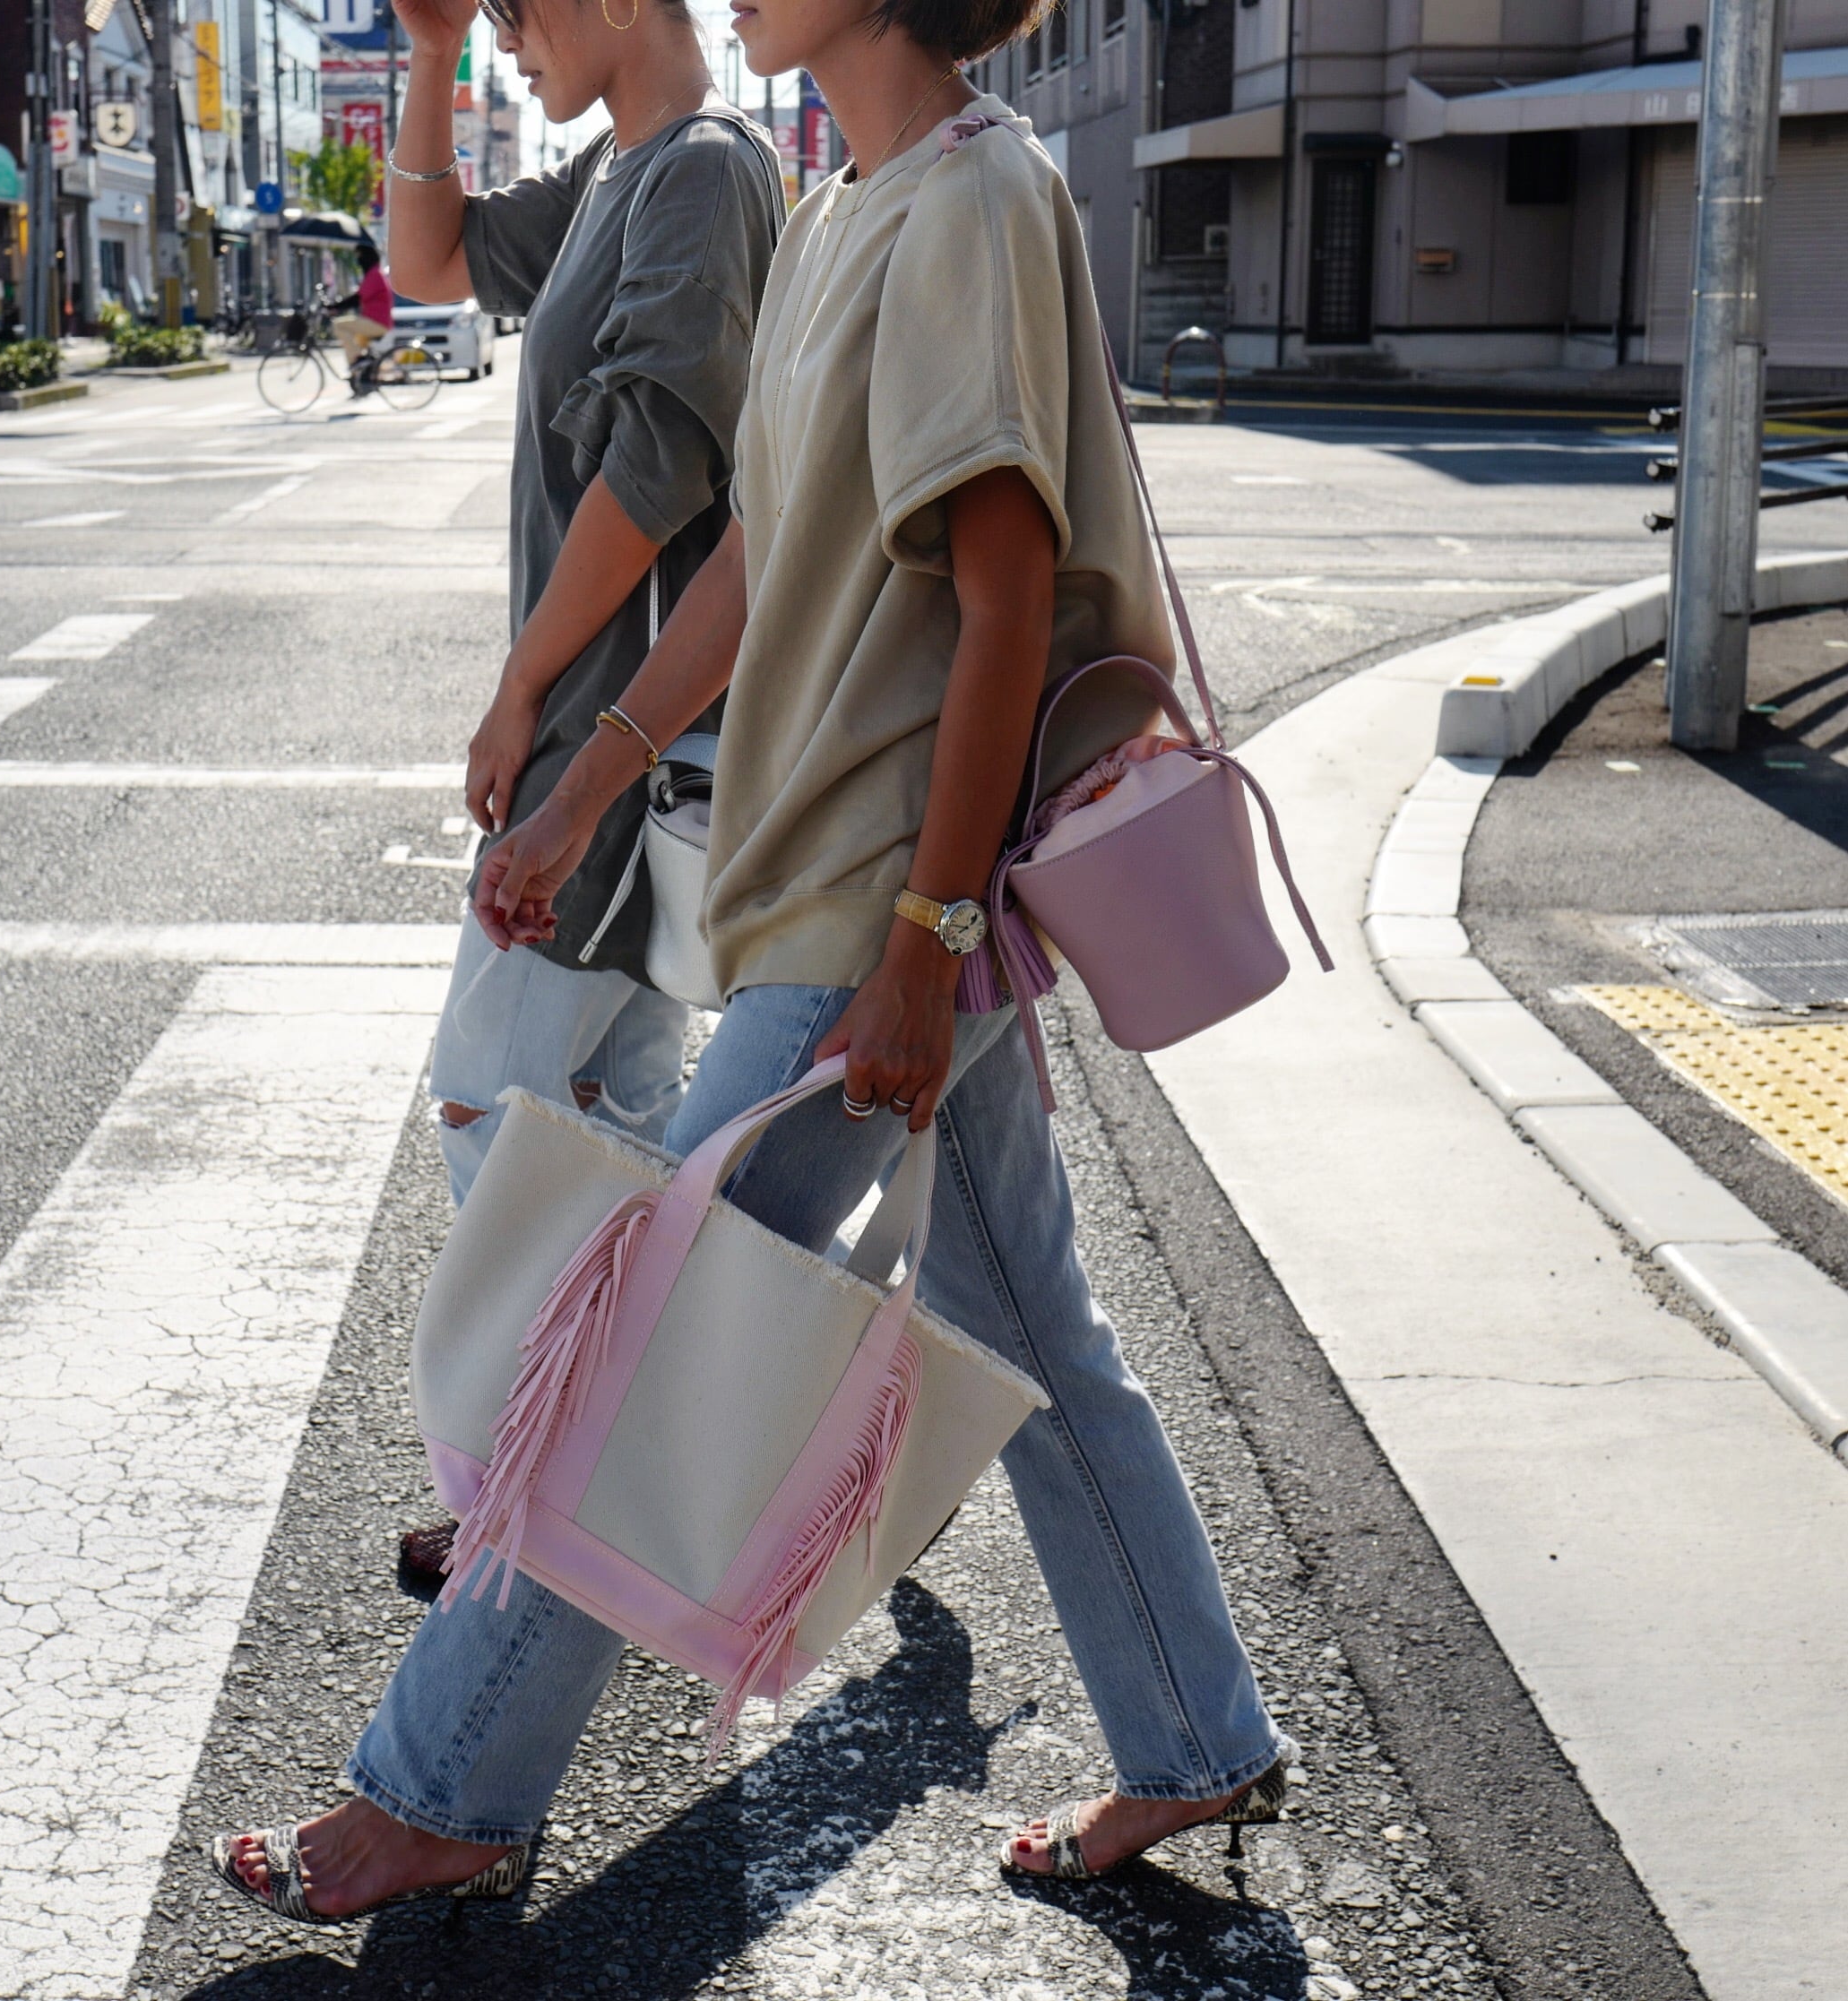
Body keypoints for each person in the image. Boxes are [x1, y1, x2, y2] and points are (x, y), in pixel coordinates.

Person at [210, 0, 1295, 1927]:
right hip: (848, 898)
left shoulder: (969, 199)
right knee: (1041, 1333)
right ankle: (1197, 1742)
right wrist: (586, 779)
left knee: (649, 1340)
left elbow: (1003, 597)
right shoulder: (840, 209)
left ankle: (445, 1783)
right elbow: (757, 557)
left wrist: (925, 934)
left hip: (876, 910)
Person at [377, 0, 780, 1591]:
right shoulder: (620, 176)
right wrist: (421, 59)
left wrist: (525, 688)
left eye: (514, 14)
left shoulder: (700, 174)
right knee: (610, 1123)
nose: (505, 47)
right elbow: (422, 259)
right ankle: (596, 1466)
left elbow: (657, 465)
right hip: (623, 744)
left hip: (619, 747)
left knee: (493, 1096)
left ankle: (559, 1470)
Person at [334, 243, 395, 387]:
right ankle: (360, 382)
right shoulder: (374, 273)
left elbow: (358, 298)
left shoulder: (374, 274)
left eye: (360, 256)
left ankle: (357, 360)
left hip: (376, 323)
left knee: (339, 325)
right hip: (373, 321)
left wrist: (334, 307)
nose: (358, 260)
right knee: (357, 343)